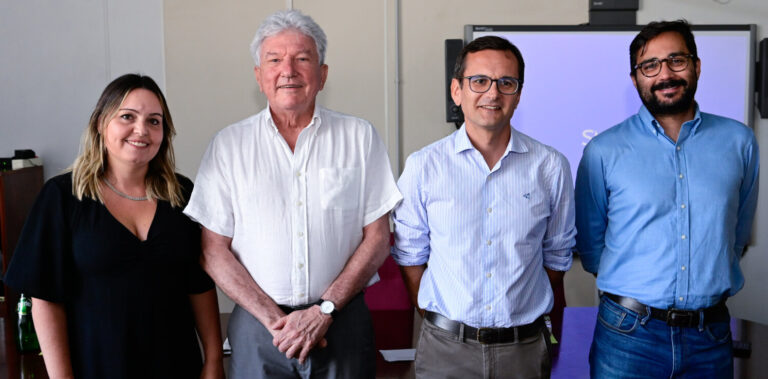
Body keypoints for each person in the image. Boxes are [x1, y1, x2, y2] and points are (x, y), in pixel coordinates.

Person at [183, 9, 402, 379]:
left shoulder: (359, 137)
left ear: (322, 74)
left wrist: (324, 311)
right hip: (258, 329)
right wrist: (274, 321)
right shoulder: (228, 146)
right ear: (259, 76)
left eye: (303, 58)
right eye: (274, 60)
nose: (289, 70)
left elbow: (378, 239)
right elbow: (212, 250)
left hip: (342, 322)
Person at [3, 74, 224, 378]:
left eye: (154, 121)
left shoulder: (182, 194)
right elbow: (46, 299)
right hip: (95, 367)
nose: (141, 130)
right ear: (100, 123)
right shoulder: (63, 197)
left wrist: (213, 361)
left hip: (177, 365)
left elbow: (199, 285)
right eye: (127, 117)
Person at [575, 20, 759, 378]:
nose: (665, 74)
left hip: (711, 333)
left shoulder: (740, 141)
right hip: (628, 335)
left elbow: (736, 233)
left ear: (697, 66)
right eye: (650, 66)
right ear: (635, 79)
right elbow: (592, 247)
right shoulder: (602, 150)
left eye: (677, 60)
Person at [391, 35, 576, 378]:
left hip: (523, 349)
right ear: (457, 91)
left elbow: (556, 256)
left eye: (506, 83)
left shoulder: (550, 166)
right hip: (445, 350)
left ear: (518, 94)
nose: (493, 94)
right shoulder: (424, 166)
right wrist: (444, 320)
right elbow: (411, 257)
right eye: (479, 81)